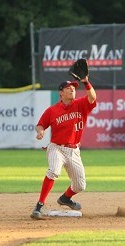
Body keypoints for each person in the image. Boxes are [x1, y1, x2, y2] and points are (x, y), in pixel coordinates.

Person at [30, 75, 97, 220]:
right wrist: (41, 131)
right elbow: (40, 124)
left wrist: (86, 82)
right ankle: (39, 205)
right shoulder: (52, 110)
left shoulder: (81, 104)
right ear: (61, 93)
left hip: (73, 150)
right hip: (56, 148)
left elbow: (92, 97)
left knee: (80, 185)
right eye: (68, 88)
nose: (72, 90)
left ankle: (65, 198)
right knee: (54, 170)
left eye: (74, 88)